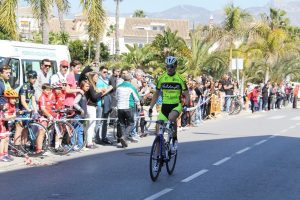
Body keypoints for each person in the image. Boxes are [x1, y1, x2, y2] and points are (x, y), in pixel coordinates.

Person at [148, 56, 189, 152]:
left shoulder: (180, 78)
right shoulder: (162, 78)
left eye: (171, 66)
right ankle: (158, 155)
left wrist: (186, 105)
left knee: (171, 118)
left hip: (176, 105)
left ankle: (174, 138)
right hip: (164, 107)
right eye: (167, 66)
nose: (169, 68)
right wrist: (151, 107)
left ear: (175, 66)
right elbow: (156, 94)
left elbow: (187, 94)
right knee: (158, 131)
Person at [14, 70, 39, 156]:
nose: (34, 79)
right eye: (32, 78)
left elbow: (33, 100)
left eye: (35, 78)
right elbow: (23, 101)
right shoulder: (24, 86)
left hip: (26, 111)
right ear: (28, 78)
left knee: (25, 129)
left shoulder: (32, 88)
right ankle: (16, 149)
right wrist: (28, 109)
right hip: (19, 110)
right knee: (19, 129)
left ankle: (23, 147)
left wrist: (35, 111)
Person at [116, 74, 141, 148]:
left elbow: (116, 97)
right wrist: (138, 104)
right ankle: (124, 137)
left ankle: (124, 141)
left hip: (120, 107)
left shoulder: (119, 87)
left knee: (122, 124)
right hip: (128, 107)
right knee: (131, 123)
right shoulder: (131, 87)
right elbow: (136, 97)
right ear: (130, 80)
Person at [95, 66, 113, 145]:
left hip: (107, 103)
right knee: (99, 121)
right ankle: (97, 138)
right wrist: (109, 89)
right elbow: (100, 93)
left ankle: (104, 137)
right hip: (100, 103)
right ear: (100, 72)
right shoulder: (98, 81)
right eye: (104, 72)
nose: (106, 74)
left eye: (107, 72)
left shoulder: (107, 80)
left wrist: (109, 88)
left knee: (105, 121)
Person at [85, 72, 103, 149]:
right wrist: (101, 93)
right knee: (91, 125)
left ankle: (89, 141)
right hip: (90, 106)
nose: (97, 79)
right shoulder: (91, 86)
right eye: (96, 77)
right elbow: (94, 97)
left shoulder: (93, 85)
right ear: (92, 77)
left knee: (91, 125)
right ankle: (89, 143)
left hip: (92, 106)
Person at [0, 89, 18, 161]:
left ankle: (5, 153)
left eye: (15, 98)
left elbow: (13, 115)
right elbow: (5, 117)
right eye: (13, 98)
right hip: (2, 123)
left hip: (6, 123)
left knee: (7, 138)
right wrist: (14, 116)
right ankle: (1, 155)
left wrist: (15, 116)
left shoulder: (13, 105)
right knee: (3, 139)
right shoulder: (6, 106)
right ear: (8, 98)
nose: (14, 100)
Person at [73, 80, 90, 150]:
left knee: (80, 131)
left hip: (83, 116)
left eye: (88, 86)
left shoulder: (84, 94)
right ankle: (74, 145)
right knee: (76, 130)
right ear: (82, 86)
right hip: (78, 115)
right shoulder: (80, 94)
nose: (88, 87)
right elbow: (74, 103)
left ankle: (80, 145)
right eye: (86, 86)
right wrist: (80, 109)